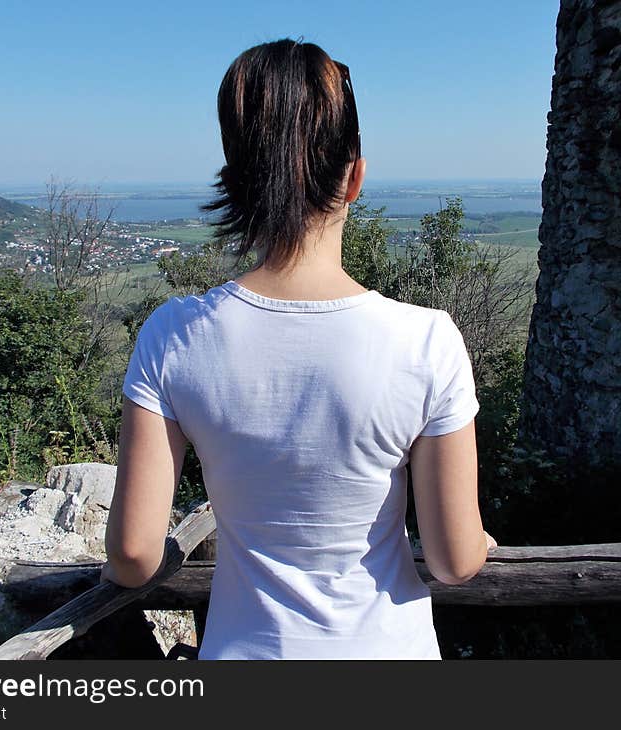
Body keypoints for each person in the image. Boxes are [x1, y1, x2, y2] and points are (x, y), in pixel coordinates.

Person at [101, 38, 497, 659]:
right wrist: (480, 543)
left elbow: (131, 553)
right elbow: (451, 559)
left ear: (237, 181)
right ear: (356, 176)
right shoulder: (427, 341)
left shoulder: (173, 336)